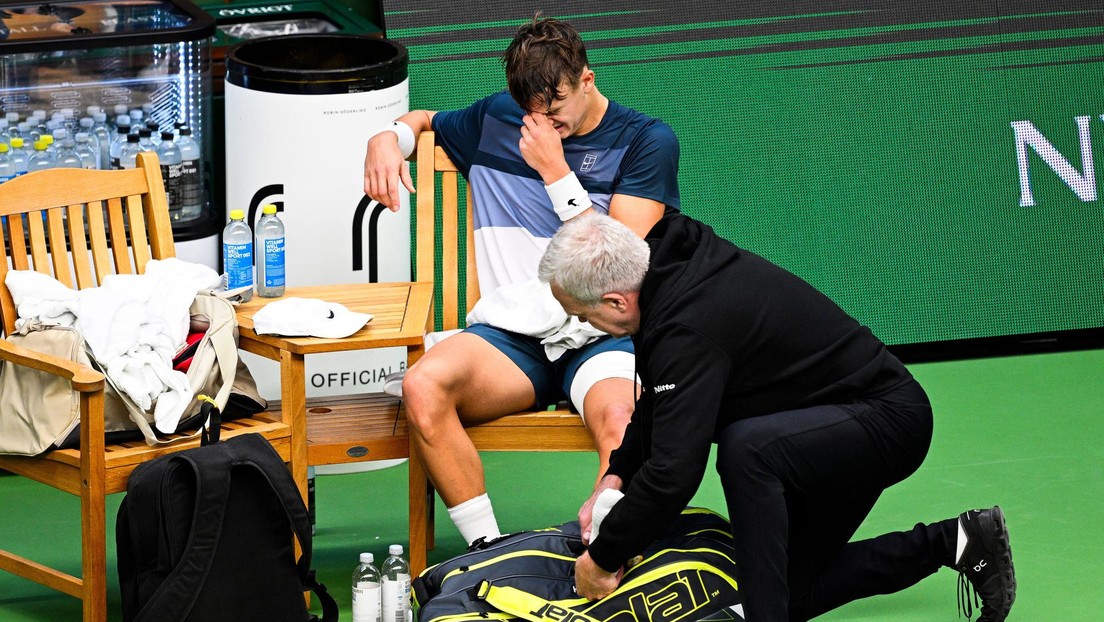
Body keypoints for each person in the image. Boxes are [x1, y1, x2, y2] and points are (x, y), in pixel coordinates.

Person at [537, 213, 1017, 622]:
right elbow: (662, 404)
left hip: (882, 424)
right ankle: (954, 542)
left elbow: (673, 473)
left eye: (582, 314)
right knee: (788, 594)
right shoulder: (665, 272)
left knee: (748, 450)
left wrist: (603, 558)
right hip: (817, 425)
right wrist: (616, 475)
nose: (583, 325)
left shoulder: (686, 323)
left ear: (617, 300)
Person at [362, 17, 680, 546]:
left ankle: (611, 551)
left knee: (624, 419)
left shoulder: (647, 141)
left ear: (587, 80)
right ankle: (490, 552)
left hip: (603, 335)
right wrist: (387, 136)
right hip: (513, 344)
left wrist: (557, 175)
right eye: (533, 115)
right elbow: (424, 119)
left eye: (555, 114)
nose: (542, 128)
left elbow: (615, 265)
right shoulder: (497, 118)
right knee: (422, 386)